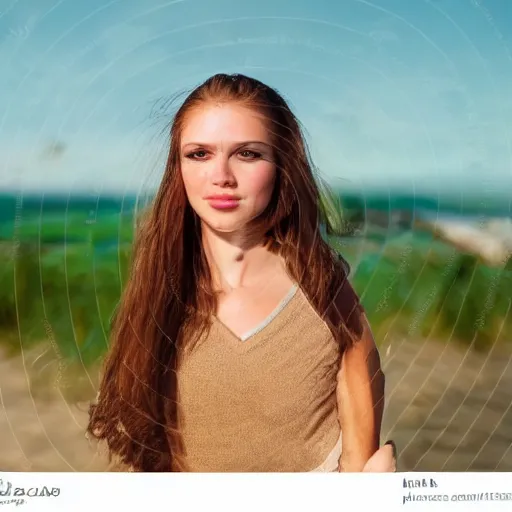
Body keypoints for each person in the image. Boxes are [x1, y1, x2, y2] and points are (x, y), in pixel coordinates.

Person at [87, 73, 396, 473]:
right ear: (177, 166)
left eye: (247, 153)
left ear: (283, 163)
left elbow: (360, 465)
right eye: (199, 154)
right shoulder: (157, 294)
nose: (222, 177)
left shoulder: (326, 295)